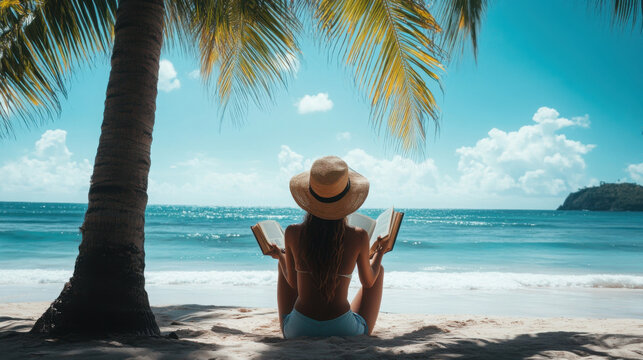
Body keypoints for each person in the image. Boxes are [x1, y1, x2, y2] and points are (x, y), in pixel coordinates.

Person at [267, 155, 386, 338]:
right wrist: (380, 252)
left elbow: (292, 282)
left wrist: (279, 256)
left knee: (284, 263)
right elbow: (368, 281)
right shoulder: (359, 236)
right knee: (378, 271)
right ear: (346, 201)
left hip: (299, 330)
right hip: (342, 329)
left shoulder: (292, 232)